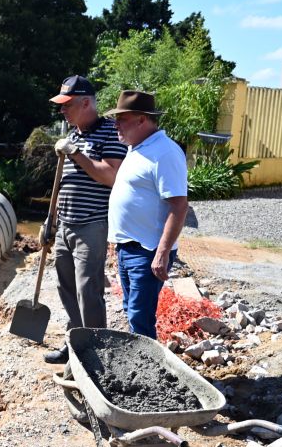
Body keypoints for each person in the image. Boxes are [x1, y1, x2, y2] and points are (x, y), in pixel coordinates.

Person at [43, 75, 129, 364]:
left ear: (86, 102)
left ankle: (97, 354)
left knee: (87, 291)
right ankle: (75, 343)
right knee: (65, 288)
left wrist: (75, 153)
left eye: (67, 105)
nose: (62, 111)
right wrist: (50, 220)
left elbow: (110, 175)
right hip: (65, 223)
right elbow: (63, 184)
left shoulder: (110, 133)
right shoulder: (74, 135)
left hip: (91, 224)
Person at [105, 90, 189, 339]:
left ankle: (146, 374)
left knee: (140, 319)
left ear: (142, 120)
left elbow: (179, 206)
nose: (116, 125)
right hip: (128, 247)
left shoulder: (165, 152)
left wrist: (162, 253)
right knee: (131, 311)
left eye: (122, 119)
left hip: (147, 250)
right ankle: (140, 368)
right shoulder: (136, 148)